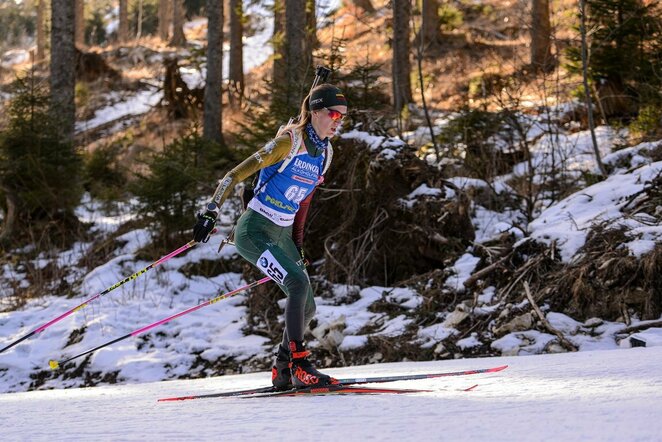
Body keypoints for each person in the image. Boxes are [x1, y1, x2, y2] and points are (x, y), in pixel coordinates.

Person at [192, 84, 348, 390]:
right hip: (254, 232)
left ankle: (282, 369)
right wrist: (211, 211)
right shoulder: (288, 142)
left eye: (342, 117)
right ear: (315, 112)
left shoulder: (326, 154)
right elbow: (233, 175)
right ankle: (300, 363)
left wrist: (298, 244)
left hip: (283, 234)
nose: (337, 121)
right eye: (332, 113)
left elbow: (303, 201)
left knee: (308, 307)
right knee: (297, 284)